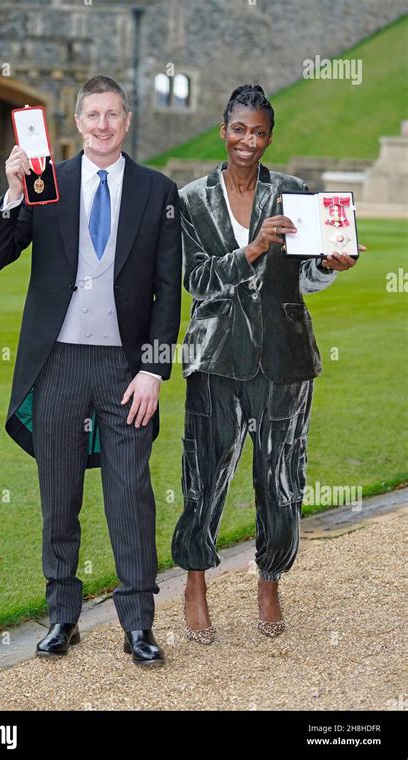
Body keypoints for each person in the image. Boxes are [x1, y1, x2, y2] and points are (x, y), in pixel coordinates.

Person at [0, 75, 182, 666]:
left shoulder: (158, 191)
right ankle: (62, 616)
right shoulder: (48, 183)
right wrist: (15, 190)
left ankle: (138, 624)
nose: (102, 125)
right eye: (92, 115)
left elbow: (168, 292)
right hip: (59, 363)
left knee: (131, 496)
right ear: (77, 122)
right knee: (59, 495)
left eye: (112, 114)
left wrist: (154, 371)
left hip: (126, 369)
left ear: (127, 120)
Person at [172, 84, 363, 642]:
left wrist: (331, 265)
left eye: (258, 132)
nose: (247, 141)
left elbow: (306, 278)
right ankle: (196, 582)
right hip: (216, 359)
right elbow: (197, 281)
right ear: (223, 129)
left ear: (269, 136)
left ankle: (269, 579)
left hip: (284, 358)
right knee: (204, 478)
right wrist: (253, 248)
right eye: (239, 129)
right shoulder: (190, 200)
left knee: (280, 476)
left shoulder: (294, 193)